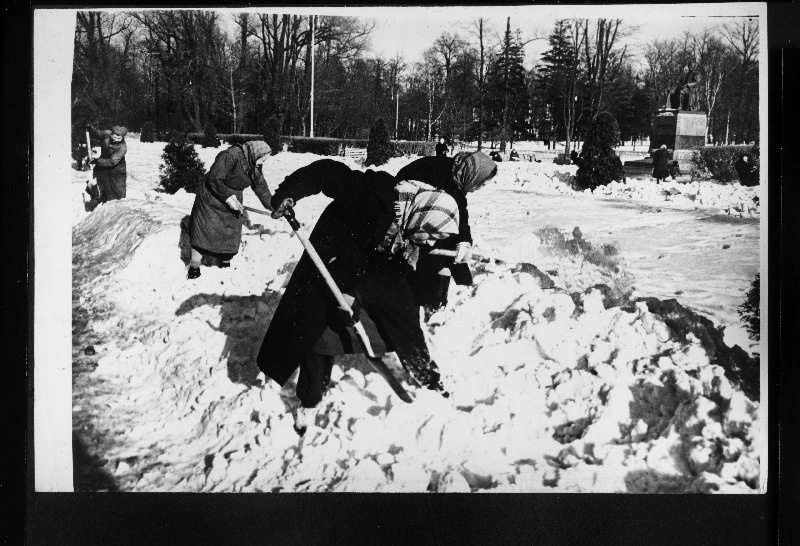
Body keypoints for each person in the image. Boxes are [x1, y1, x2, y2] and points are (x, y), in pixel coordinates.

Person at [256, 159, 460, 433]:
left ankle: (427, 376)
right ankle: (309, 399)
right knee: (318, 329)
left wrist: (358, 294)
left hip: (377, 266)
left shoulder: (411, 230)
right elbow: (327, 172)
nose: (430, 242)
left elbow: (388, 276)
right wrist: (289, 192)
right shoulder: (372, 195)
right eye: (431, 234)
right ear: (423, 216)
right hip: (337, 258)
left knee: (405, 319)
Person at [395, 151, 497, 315]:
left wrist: (464, 241)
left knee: (451, 252)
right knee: (427, 260)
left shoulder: (458, 175)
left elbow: (460, 210)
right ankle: (425, 304)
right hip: (413, 219)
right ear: (474, 173)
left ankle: (439, 297)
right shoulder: (434, 173)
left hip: (433, 218)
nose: (478, 188)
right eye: (480, 183)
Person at [187, 140, 273, 279]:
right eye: (262, 158)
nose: (262, 162)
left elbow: (260, 186)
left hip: (234, 198)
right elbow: (214, 178)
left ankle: (225, 267)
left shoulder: (254, 163)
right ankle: (194, 267)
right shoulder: (231, 155)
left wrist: (273, 206)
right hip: (212, 195)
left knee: (230, 232)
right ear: (255, 153)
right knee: (204, 231)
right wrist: (228, 198)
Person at [86, 124, 128, 203]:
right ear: (111, 134)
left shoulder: (122, 147)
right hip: (103, 164)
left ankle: (116, 206)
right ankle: (99, 201)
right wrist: (90, 128)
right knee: (101, 183)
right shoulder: (106, 134)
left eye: (119, 138)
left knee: (117, 190)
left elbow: (112, 161)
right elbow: (98, 133)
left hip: (117, 168)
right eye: (114, 137)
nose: (115, 140)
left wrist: (97, 161)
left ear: (122, 138)